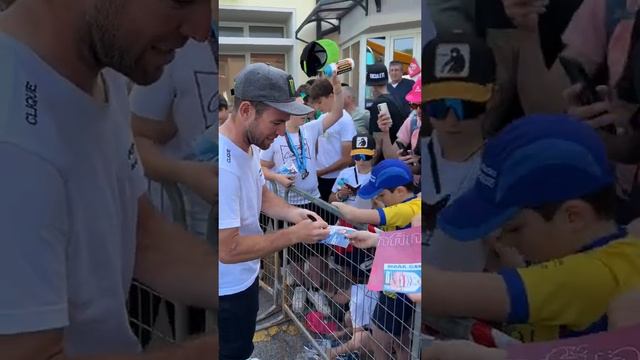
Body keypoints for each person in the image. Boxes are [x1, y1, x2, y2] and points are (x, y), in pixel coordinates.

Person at [0, 0, 218, 358]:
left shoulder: (103, 74)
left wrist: (235, 288)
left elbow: (141, 234)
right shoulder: (13, 140)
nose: (200, 29)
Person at [423, 114, 640, 344]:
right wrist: (515, 267)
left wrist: (394, 251)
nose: (502, 240)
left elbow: (439, 292)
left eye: (514, 229)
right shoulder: (615, 255)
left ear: (572, 217)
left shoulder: (589, 277)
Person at [218, 63, 332, 360]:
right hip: (225, 289)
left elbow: (261, 194)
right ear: (245, 110)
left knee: (243, 342)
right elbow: (227, 249)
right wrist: (295, 234)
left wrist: (294, 214)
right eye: (276, 122)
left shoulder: (248, 145)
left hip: (244, 276)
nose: (282, 134)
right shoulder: (222, 166)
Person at [129, 36, 218, 340]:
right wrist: (186, 173)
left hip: (219, 245)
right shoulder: (174, 43)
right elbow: (137, 136)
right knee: (175, 332)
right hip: (174, 236)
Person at [333, 159, 420, 360]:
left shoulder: (405, 209)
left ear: (399, 191)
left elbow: (354, 214)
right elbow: (402, 239)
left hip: (399, 284)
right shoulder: (409, 205)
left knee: (381, 337)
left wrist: (337, 200)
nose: (379, 200)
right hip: (396, 279)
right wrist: (375, 239)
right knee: (401, 339)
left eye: (382, 195)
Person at [421, 33, 494, 273]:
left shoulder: (501, 164)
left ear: (493, 96)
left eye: (467, 107)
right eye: (439, 107)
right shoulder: (417, 154)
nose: (452, 119)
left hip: (469, 301)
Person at [308, 77, 356, 203]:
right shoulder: (323, 118)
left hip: (335, 179)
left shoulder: (345, 120)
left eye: (320, 102)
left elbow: (347, 159)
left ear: (331, 96)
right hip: (319, 178)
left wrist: (321, 172)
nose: (317, 107)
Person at [367, 63, 408, 163]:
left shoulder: (379, 103)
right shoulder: (396, 98)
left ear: (372, 86)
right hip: (400, 157)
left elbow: (378, 143)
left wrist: (368, 166)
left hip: (386, 161)